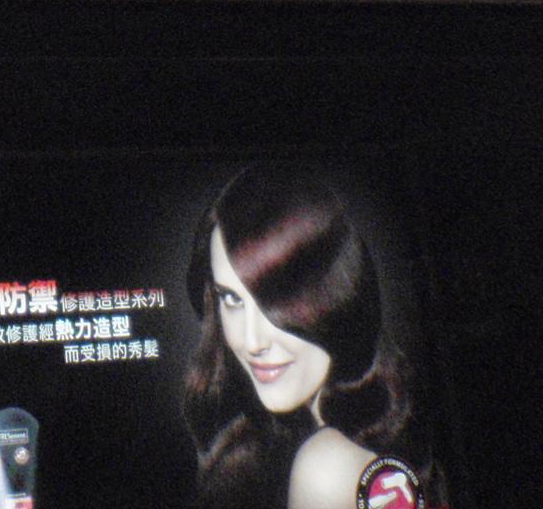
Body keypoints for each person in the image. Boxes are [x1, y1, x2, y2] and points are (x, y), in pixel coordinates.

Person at [182, 163, 436, 509]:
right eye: (232, 300)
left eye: (276, 298)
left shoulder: (326, 466)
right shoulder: (375, 431)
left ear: (337, 293)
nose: (253, 342)